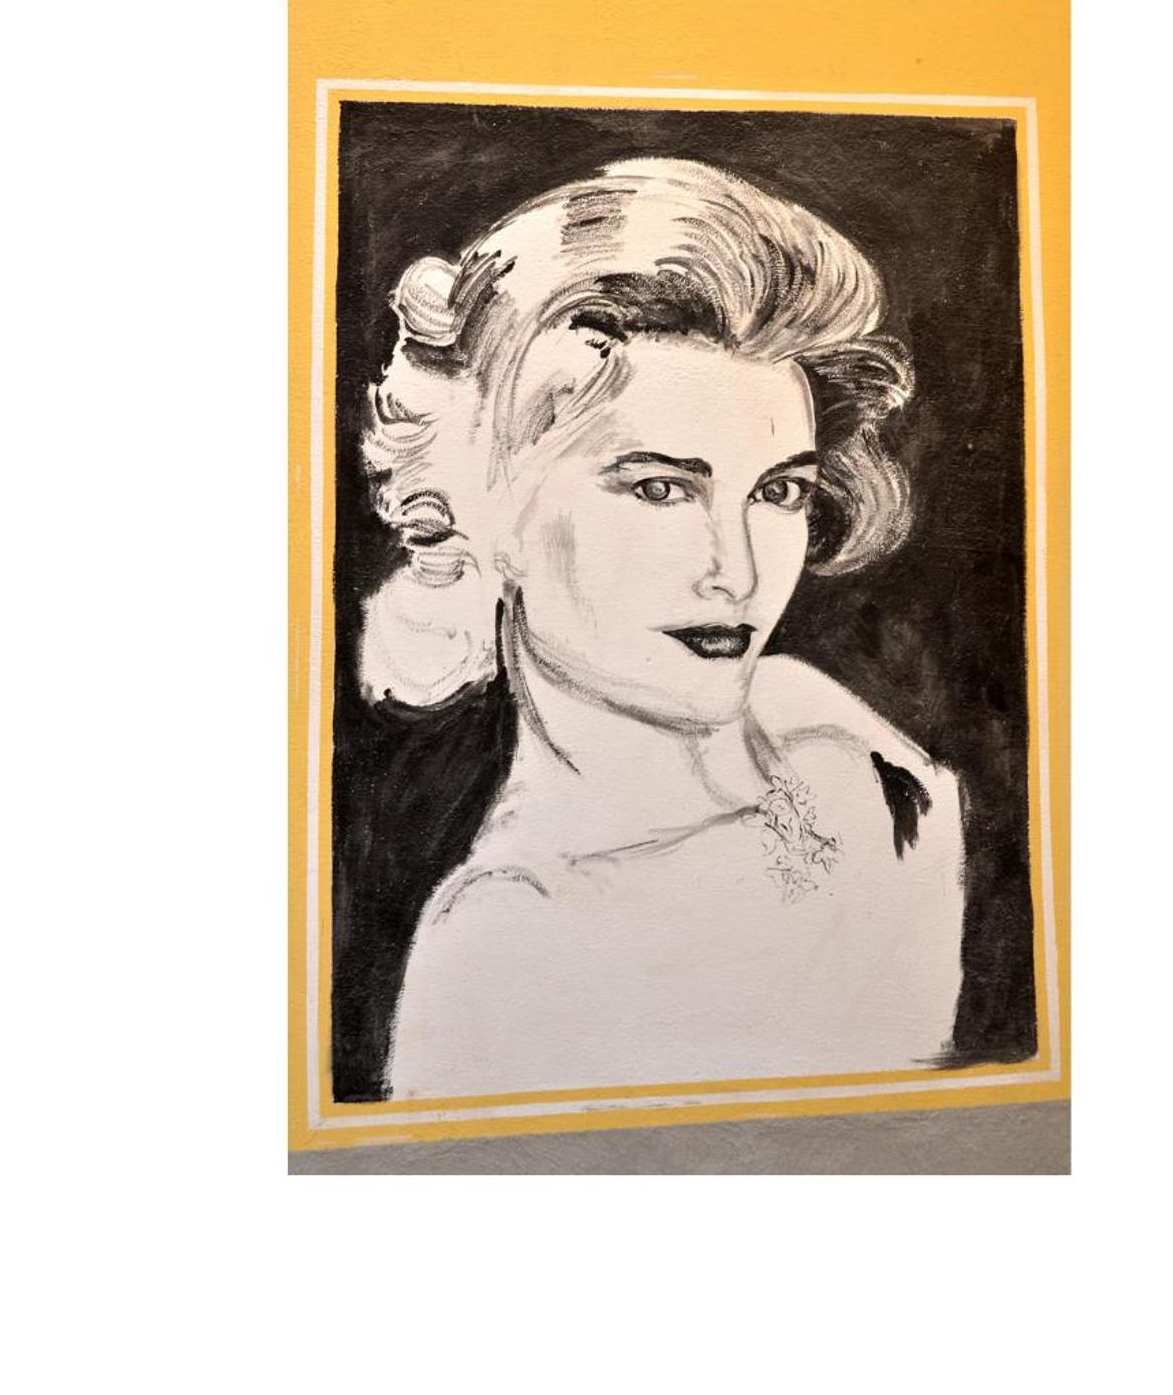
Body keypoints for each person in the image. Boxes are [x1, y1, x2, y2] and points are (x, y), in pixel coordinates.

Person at [359, 158, 964, 1098]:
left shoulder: (849, 751)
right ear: (488, 505)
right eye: (659, 488)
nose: (739, 573)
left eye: (779, 492)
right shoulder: (502, 948)